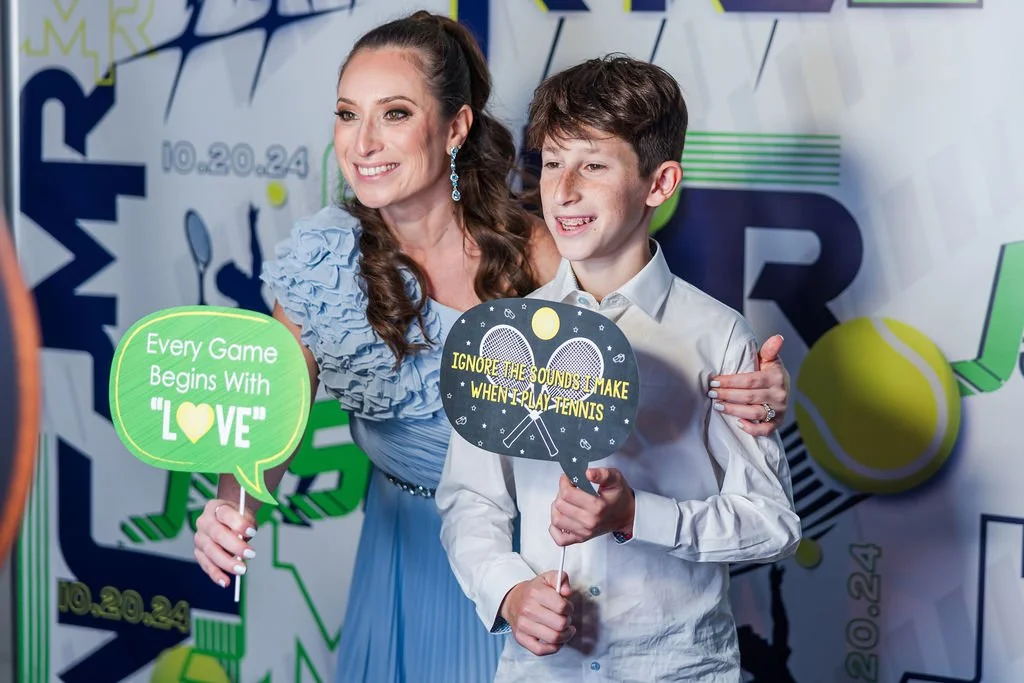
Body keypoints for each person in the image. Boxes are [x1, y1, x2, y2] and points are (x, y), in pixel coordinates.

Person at [190, 12, 792, 683]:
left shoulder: (536, 248)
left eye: (393, 114)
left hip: (539, 563)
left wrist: (754, 391)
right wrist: (230, 505)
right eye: (345, 113)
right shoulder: (320, 263)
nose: (363, 142)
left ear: (455, 127)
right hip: (406, 554)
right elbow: (266, 425)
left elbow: (647, 348)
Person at [436, 55, 801, 682]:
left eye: (594, 165)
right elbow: (470, 499)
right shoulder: (507, 334)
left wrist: (638, 516)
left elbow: (773, 522)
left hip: (679, 667)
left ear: (658, 185)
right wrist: (509, 594)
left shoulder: (716, 337)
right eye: (551, 162)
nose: (564, 188)